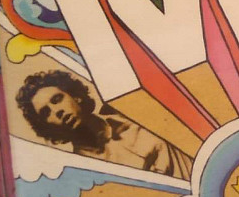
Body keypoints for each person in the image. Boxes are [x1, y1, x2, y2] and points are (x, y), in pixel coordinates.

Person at [15, 69, 192, 179]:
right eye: (46, 113)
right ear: (48, 128)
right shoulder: (86, 173)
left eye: (57, 99)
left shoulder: (132, 114)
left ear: (75, 96)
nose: (57, 111)